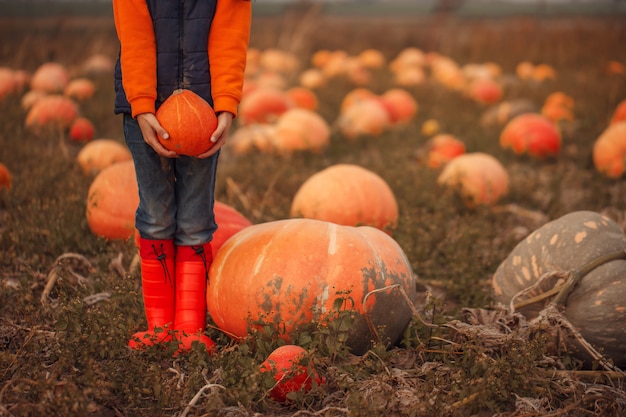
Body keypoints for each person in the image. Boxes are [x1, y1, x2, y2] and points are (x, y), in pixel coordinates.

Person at [112, 0, 252, 354]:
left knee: (195, 219)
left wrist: (226, 104)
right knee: (156, 216)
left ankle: (190, 327)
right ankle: (160, 328)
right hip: (144, 109)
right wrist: (141, 105)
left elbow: (229, 39)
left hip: (203, 112)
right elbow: (135, 38)